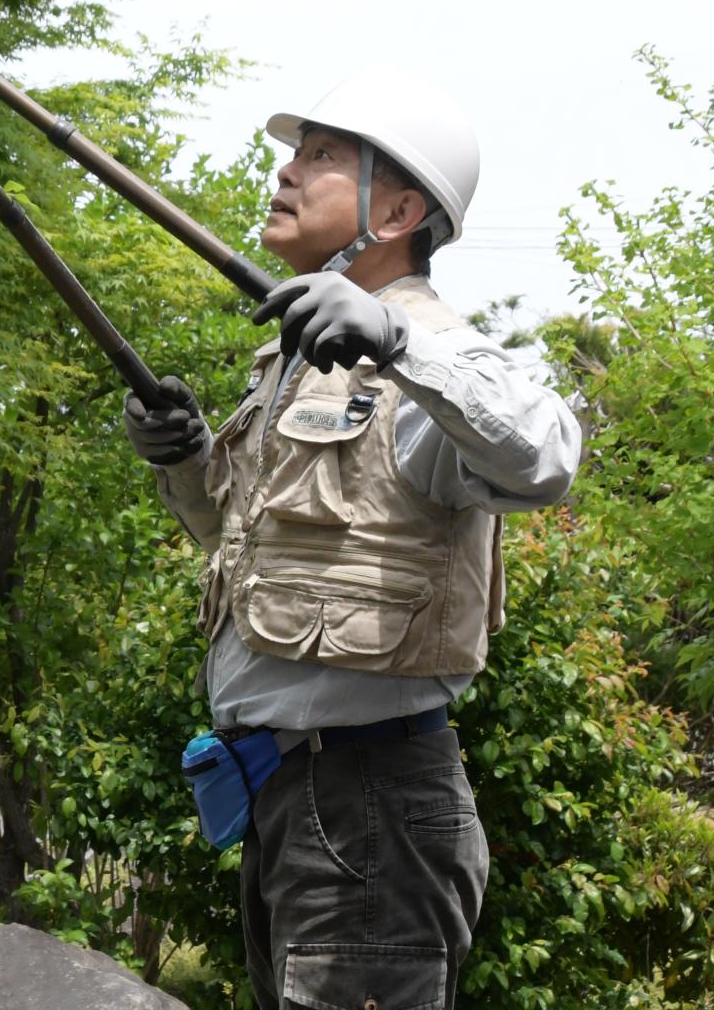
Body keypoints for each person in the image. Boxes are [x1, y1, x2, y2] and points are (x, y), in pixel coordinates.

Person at [122, 72, 582, 1010]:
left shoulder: (429, 361)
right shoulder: (296, 362)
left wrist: (401, 344)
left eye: (322, 156)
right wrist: (187, 459)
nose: (287, 172)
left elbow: (547, 456)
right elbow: (252, 549)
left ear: (402, 207)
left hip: (369, 804)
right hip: (291, 799)